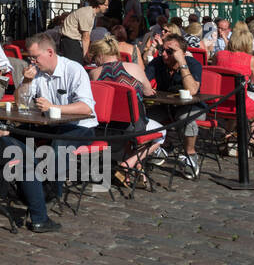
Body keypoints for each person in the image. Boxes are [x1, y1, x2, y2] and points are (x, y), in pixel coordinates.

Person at [5, 33, 98, 232]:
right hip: (49, 126)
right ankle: (25, 187)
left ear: (50, 52)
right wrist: (27, 82)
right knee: (12, 137)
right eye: (30, 58)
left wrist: (53, 106)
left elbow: (86, 108)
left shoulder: (74, 70)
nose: (32, 61)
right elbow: (21, 102)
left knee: (56, 149)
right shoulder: (37, 72)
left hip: (81, 126)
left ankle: (46, 194)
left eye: (35, 57)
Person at [88, 36, 160, 187]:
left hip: (106, 127)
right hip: (133, 126)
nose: (95, 61)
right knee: (162, 134)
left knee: (137, 133)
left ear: (100, 55)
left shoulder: (94, 74)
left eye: (95, 57)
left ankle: (128, 173)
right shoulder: (134, 68)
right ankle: (128, 164)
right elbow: (148, 91)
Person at [145, 33, 205, 180]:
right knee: (143, 117)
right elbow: (143, 80)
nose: (164, 54)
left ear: (181, 53)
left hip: (192, 106)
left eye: (170, 51)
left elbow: (192, 91)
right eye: (163, 50)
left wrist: (182, 63)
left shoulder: (193, 64)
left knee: (186, 119)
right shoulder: (158, 62)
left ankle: (190, 156)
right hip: (166, 106)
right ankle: (157, 149)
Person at [60, 0, 108, 64]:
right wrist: (85, 54)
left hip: (71, 41)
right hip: (70, 42)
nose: (107, 7)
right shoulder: (87, 13)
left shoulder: (90, 12)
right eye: (105, 5)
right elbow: (86, 36)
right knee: (76, 66)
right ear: (99, 4)